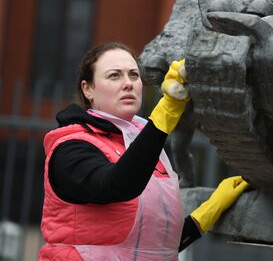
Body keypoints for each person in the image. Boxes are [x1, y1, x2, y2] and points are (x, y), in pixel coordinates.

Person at [39, 42, 249, 260]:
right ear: (87, 89)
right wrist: (165, 114)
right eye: (114, 76)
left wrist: (203, 217)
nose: (128, 84)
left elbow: (152, 247)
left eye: (134, 75)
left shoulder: (144, 144)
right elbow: (116, 186)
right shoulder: (70, 147)